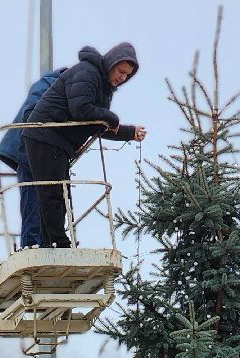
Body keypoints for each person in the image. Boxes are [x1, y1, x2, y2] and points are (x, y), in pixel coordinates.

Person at [21, 43, 147, 248]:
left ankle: (50, 242)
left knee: (59, 193)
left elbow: (96, 125)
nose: (122, 78)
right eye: (121, 71)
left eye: (127, 75)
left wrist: (129, 132)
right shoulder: (87, 72)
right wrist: (111, 117)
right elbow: (82, 110)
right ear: (112, 63)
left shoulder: (103, 88)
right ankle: (57, 243)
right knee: (53, 193)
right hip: (46, 135)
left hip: (57, 140)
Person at [0, 67, 66, 249]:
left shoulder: (60, 86)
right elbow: (31, 112)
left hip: (44, 150)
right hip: (26, 148)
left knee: (49, 195)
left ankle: (48, 241)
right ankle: (31, 243)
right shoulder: (48, 83)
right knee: (33, 196)